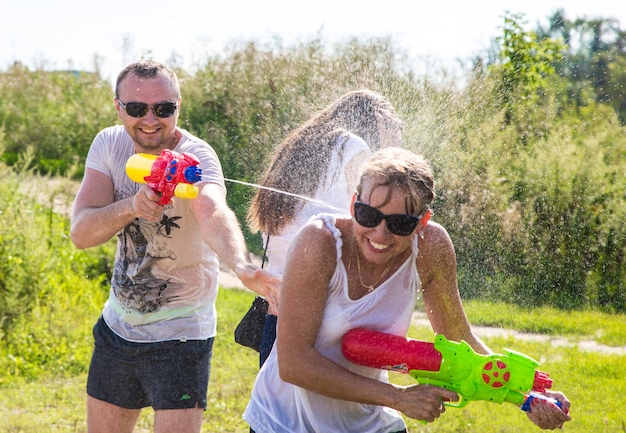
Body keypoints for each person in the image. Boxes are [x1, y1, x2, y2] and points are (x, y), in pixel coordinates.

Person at [243, 147, 571, 432]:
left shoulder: (431, 248)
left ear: (422, 221)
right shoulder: (320, 242)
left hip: (370, 423)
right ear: (354, 203)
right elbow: (294, 363)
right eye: (369, 215)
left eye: (400, 224)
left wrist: (530, 390)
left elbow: (459, 340)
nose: (380, 234)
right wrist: (397, 398)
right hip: (286, 422)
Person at [70, 60, 280, 433]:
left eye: (163, 109)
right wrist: (131, 207)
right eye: (137, 108)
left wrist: (243, 266)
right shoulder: (108, 144)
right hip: (117, 329)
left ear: (178, 106)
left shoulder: (199, 156)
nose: (150, 119)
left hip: (182, 337)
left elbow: (213, 211)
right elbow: (82, 233)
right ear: (118, 107)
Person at [246, 90, 403, 365]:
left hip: (277, 312)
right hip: (320, 315)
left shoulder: (300, 146)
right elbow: (375, 213)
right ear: (377, 120)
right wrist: (391, 149)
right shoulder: (353, 146)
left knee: (276, 406)